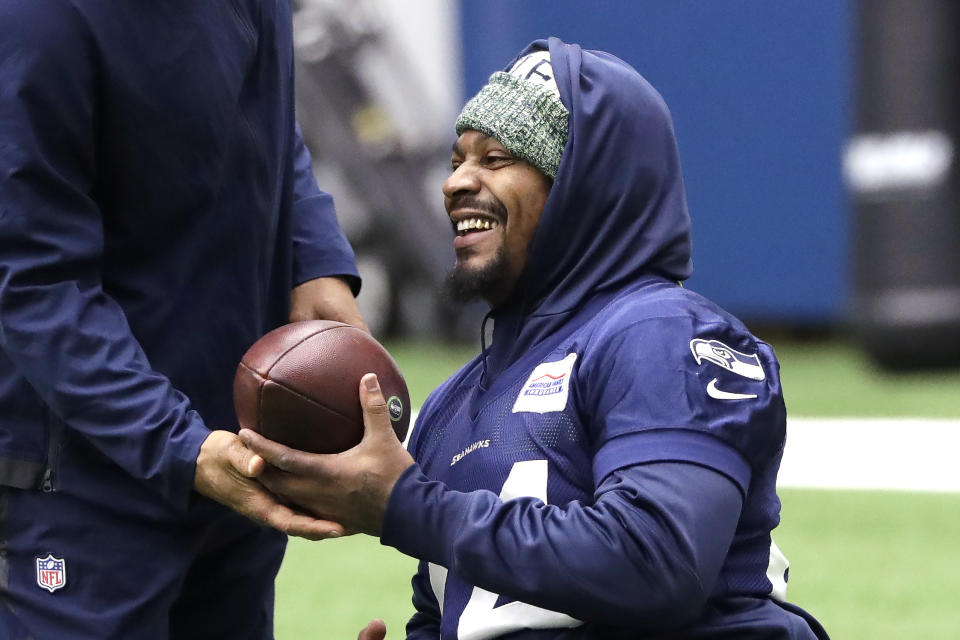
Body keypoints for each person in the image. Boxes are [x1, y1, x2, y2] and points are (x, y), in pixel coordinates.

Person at [239, 37, 831, 639]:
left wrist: (406, 504)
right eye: (456, 160)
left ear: (586, 186)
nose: (455, 184)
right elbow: (458, 615)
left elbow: (657, 562)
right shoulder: (451, 403)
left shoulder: (661, 334)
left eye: (496, 159)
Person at [0, 2, 365, 638]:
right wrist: (181, 446)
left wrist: (313, 260)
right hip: (83, 491)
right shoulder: (36, 19)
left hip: (233, 460)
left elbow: (267, 121)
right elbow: (35, 282)